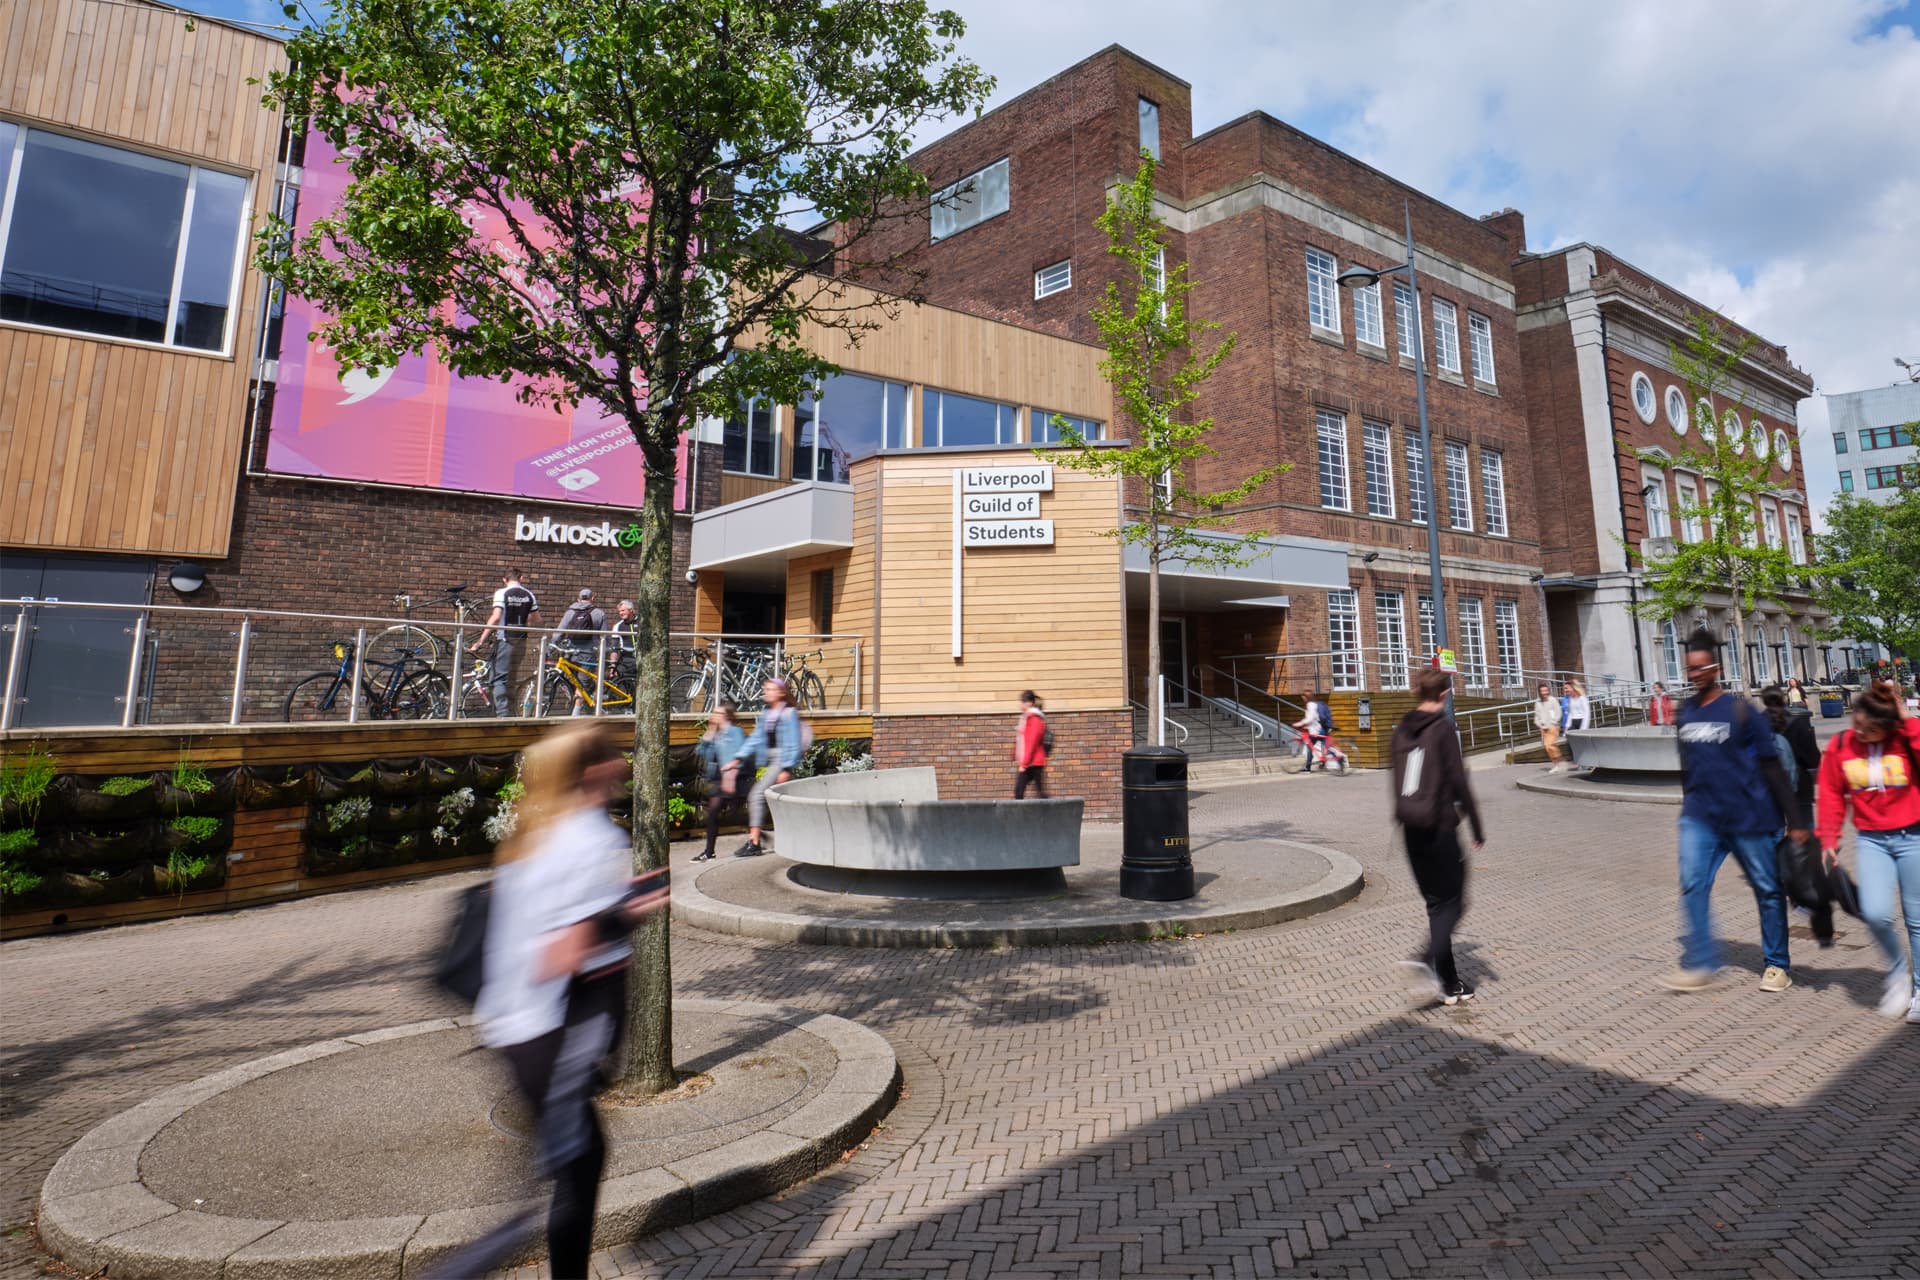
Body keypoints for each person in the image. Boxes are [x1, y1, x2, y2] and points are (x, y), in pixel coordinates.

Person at [471, 723, 670, 1279]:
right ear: (593, 771)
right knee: (573, 1169)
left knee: (572, 1161)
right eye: (612, 757)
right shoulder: (592, 838)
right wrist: (629, 912)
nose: (622, 764)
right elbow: (561, 954)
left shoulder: (533, 834)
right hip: (550, 1031)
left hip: (510, 1026)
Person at [1664, 628, 1806, 993]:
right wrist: (1687, 806)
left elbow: (1772, 766)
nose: (1693, 675)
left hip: (1748, 817)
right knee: (1693, 884)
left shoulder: (1743, 711)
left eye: (1699, 669)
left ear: (1715, 668)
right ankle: (1702, 961)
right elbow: (1687, 765)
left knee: (1767, 889)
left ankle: (1777, 965)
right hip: (1701, 818)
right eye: (1689, 669)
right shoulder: (1686, 711)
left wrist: (1796, 819)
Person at [1815, 681, 1920, 1022]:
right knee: (1874, 912)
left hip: (1913, 836)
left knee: (1917, 920)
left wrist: (1907, 720)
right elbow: (1831, 792)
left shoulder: (1905, 739)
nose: (1859, 734)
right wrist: (1828, 839)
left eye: (1870, 730)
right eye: (1857, 725)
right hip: (1872, 839)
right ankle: (1898, 972)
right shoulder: (1842, 744)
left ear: (1888, 728)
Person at [1390, 667, 1485, 1006]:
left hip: (1409, 828)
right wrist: (1477, 828)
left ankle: (1449, 984)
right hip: (1439, 826)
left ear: (1417, 690)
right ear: (1444, 695)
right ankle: (1423, 959)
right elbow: (1460, 782)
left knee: (1436, 906)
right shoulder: (1443, 730)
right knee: (1455, 902)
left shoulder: (1401, 728)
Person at [730, 678, 803, 857]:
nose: (766, 692)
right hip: (768, 759)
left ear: (781, 692)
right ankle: (794, 837)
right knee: (780, 801)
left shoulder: (789, 713)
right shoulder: (766, 713)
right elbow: (755, 738)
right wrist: (738, 757)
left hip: (781, 759)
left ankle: (754, 842)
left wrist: (786, 768)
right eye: (766, 689)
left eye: (770, 689)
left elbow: (794, 743)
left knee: (756, 795)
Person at [468, 570, 540, 717]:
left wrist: (480, 640)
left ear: (504, 580)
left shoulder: (502, 593)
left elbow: (496, 617)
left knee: (499, 678)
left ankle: (502, 715)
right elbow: (536, 620)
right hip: (521, 641)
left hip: (505, 640)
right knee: (511, 678)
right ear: (521, 578)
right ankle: (510, 712)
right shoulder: (529, 595)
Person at [692, 701, 746, 863]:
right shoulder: (717, 734)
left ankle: (757, 838)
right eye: (713, 713)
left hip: (735, 779)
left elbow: (741, 755)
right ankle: (709, 851)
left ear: (726, 716)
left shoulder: (735, 732)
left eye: (717, 713)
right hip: (721, 780)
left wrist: (731, 776)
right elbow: (701, 753)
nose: (714, 716)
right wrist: (709, 733)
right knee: (715, 813)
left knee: (735, 814)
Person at [552, 589, 609, 716]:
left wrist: (552, 646)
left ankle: (578, 709)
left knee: (569, 679)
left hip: (570, 652)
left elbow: (559, 633)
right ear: (592, 598)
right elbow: (605, 637)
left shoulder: (570, 612)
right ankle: (577, 712)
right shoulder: (599, 613)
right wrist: (606, 652)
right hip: (588, 653)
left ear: (578, 599)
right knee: (583, 682)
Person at [1015, 691, 1049, 799]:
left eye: (1022, 702)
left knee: (1019, 791)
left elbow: (1031, 743)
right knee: (1040, 792)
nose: (1020, 705)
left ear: (1029, 703)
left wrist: (1024, 764)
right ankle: (1050, 811)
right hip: (1032, 762)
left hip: (1033, 762)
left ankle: (1018, 815)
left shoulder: (1034, 719)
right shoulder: (1027, 718)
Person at [1534, 683, 1564, 768]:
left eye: (1546, 690)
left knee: (1551, 745)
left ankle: (1559, 763)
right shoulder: (1537, 702)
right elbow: (1537, 715)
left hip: (1552, 726)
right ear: (1540, 692)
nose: (1545, 692)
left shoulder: (1552, 700)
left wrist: (1553, 723)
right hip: (1543, 727)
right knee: (1547, 747)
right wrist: (1538, 724)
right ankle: (1557, 764)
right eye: (1543, 691)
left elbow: (1558, 713)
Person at [610, 599, 639, 685]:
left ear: (631, 610)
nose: (621, 613)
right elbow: (614, 648)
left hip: (642, 659)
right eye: (619, 611)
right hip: (626, 660)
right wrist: (613, 666)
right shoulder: (618, 626)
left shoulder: (642, 622)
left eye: (623, 610)